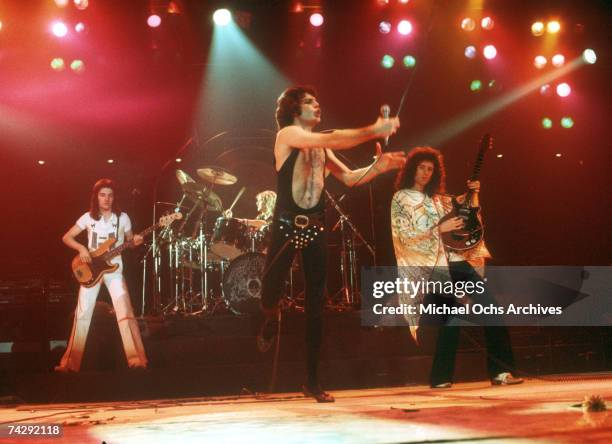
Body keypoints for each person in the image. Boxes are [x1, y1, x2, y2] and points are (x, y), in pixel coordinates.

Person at [258, 86, 405, 402]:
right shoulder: (287, 135)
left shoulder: (321, 148)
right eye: (310, 101)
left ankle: (312, 380)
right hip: (285, 226)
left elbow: (351, 178)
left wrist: (377, 168)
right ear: (294, 109)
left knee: (316, 305)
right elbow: (332, 137)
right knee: (269, 290)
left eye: (316, 99)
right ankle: (270, 314)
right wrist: (374, 130)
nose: (317, 103)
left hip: (314, 228)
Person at [391, 147, 523, 388]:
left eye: (430, 169)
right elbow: (405, 235)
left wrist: (473, 193)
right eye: (421, 167)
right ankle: (440, 377)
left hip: (456, 262)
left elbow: (466, 214)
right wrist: (439, 229)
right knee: (451, 320)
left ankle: (501, 372)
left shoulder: (440, 199)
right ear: (412, 168)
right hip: (434, 267)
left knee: (491, 308)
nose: (425, 173)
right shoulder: (402, 198)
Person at [56, 178, 148, 372]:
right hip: (92, 269)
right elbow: (66, 237)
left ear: (114, 198)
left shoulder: (122, 218)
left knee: (125, 312)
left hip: (114, 270)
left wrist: (136, 241)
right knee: (82, 314)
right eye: (102, 195)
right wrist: (82, 248)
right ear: (96, 197)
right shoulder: (87, 218)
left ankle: (137, 359)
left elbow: (130, 241)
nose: (106, 199)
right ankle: (70, 364)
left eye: (110, 195)